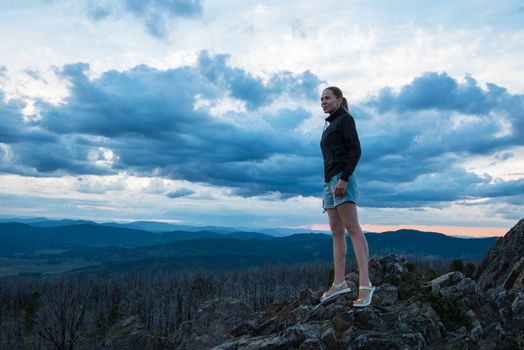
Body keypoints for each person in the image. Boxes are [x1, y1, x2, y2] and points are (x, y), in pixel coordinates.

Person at [319, 86, 375, 307]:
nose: (323, 102)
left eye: (327, 98)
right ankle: (339, 283)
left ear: (339, 100)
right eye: (321, 99)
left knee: (353, 229)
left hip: (343, 180)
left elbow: (356, 150)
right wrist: (328, 185)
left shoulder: (345, 120)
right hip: (330, 182)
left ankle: (365, 285)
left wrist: (344, 178)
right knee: (336, 232)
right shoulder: (331, 123)